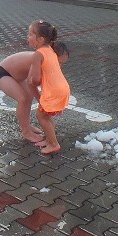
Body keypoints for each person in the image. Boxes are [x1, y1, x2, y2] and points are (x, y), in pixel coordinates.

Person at [0, 41, 69, 143]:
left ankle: (26, 125)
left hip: (17, 76)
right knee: (23, 99)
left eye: (62, 63)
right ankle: (26, 131)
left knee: (28, 97)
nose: (60, 66)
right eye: (59, 63)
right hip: (3, 73)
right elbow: (31, 83)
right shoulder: (40, 61)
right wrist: (42, 101)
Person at [26, 20, 70, 155]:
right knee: (46, 115)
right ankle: (49, 140)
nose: (27, 37)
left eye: (30, 34)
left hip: (53, 91)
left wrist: (32, 80)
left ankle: (53, 144)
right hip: (62, 88)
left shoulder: (38, 54)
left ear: (40, 39)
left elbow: (36, 79)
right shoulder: (49, 49)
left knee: (41, 116)